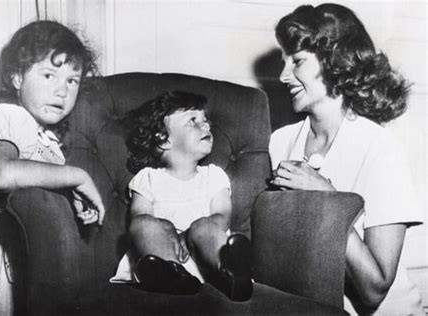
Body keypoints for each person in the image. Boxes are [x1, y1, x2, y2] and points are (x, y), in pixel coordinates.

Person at [269, 3, 424, 315]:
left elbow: (374, 289)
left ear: (333, 61)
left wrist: (328, 198)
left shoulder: (381, 146)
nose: (283, 76)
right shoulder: (279, 142)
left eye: (297, 61)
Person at [0, 20, 106, 316]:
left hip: (29, 258)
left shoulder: (48, 142)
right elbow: (1, 174)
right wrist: (75, 176)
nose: (61, 91)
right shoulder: (8, 116)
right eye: (49, 74)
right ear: (16, 77)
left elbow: (34, 188)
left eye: (72, 80)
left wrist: (67, 197)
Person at [110, 91, 252, 301]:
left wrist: (190, 235)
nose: (205, 125)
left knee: (205, 227)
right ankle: (170, 274)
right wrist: (168, 231)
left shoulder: (214, 175)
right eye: (193, 121)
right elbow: (139, 219)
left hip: (207, 260)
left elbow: (222, 216)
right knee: (144, 226)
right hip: (162, 257)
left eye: (205, 120)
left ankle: (231, 273)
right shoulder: (148, 178)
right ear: (163, 139)